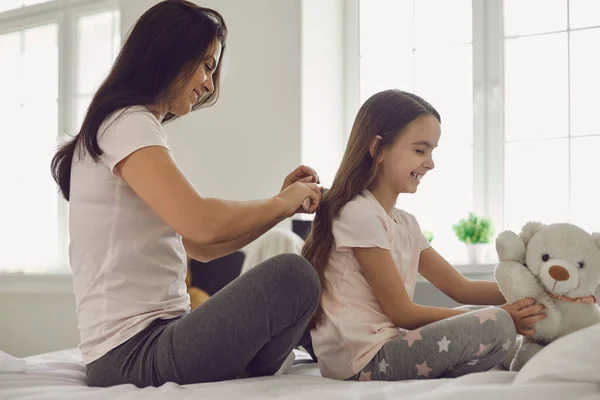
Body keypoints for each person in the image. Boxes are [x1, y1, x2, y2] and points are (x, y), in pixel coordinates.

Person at [50, 0, 322, 388]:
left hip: (150, 340)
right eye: (207, 65)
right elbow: (201, 222)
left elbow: (201, 245)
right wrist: (282, 202)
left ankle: (323, 344)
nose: (210, 83)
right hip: (131, 353)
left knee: (297, 277)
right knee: (294, 275)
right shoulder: (128, 122)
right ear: (171, 52)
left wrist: (280, 209)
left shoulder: (125, 126)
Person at [301, 89, 547, 381]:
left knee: (478, 314)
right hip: (362, 361)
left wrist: (537, 290)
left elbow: (461, 288)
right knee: (497, 325)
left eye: (432, 152)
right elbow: (402, 313)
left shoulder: (405, 224)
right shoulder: (359, 214)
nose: (430, 163)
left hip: (385, 346)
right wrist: (503, 315)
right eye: (420, 150)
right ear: (378, 148)